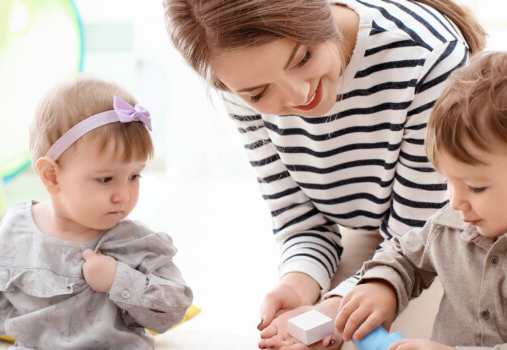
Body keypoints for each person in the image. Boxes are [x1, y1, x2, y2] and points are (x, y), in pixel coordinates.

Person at [164, 0, 486, 348]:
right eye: (258, 93)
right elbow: (302, 223)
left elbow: (417, 236)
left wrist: (335, 307)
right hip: (373, 234)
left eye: (303, 58)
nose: (301, 96)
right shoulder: (238, 85)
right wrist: (298, 283)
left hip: (448, 236)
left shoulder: (425, 53)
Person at [335, 51, 507, 349]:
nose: (456, 202)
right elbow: (403, 255)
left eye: (476, 187)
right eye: (448, 182)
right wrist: (383, 285)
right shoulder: (451, 226)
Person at [0, 76, 193, 349]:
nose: (124, 194)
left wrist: (117, 279)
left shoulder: (134, 242)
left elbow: (172, 310)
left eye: (134, 176)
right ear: (52, 175)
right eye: (105, 179)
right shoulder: (18, 229)